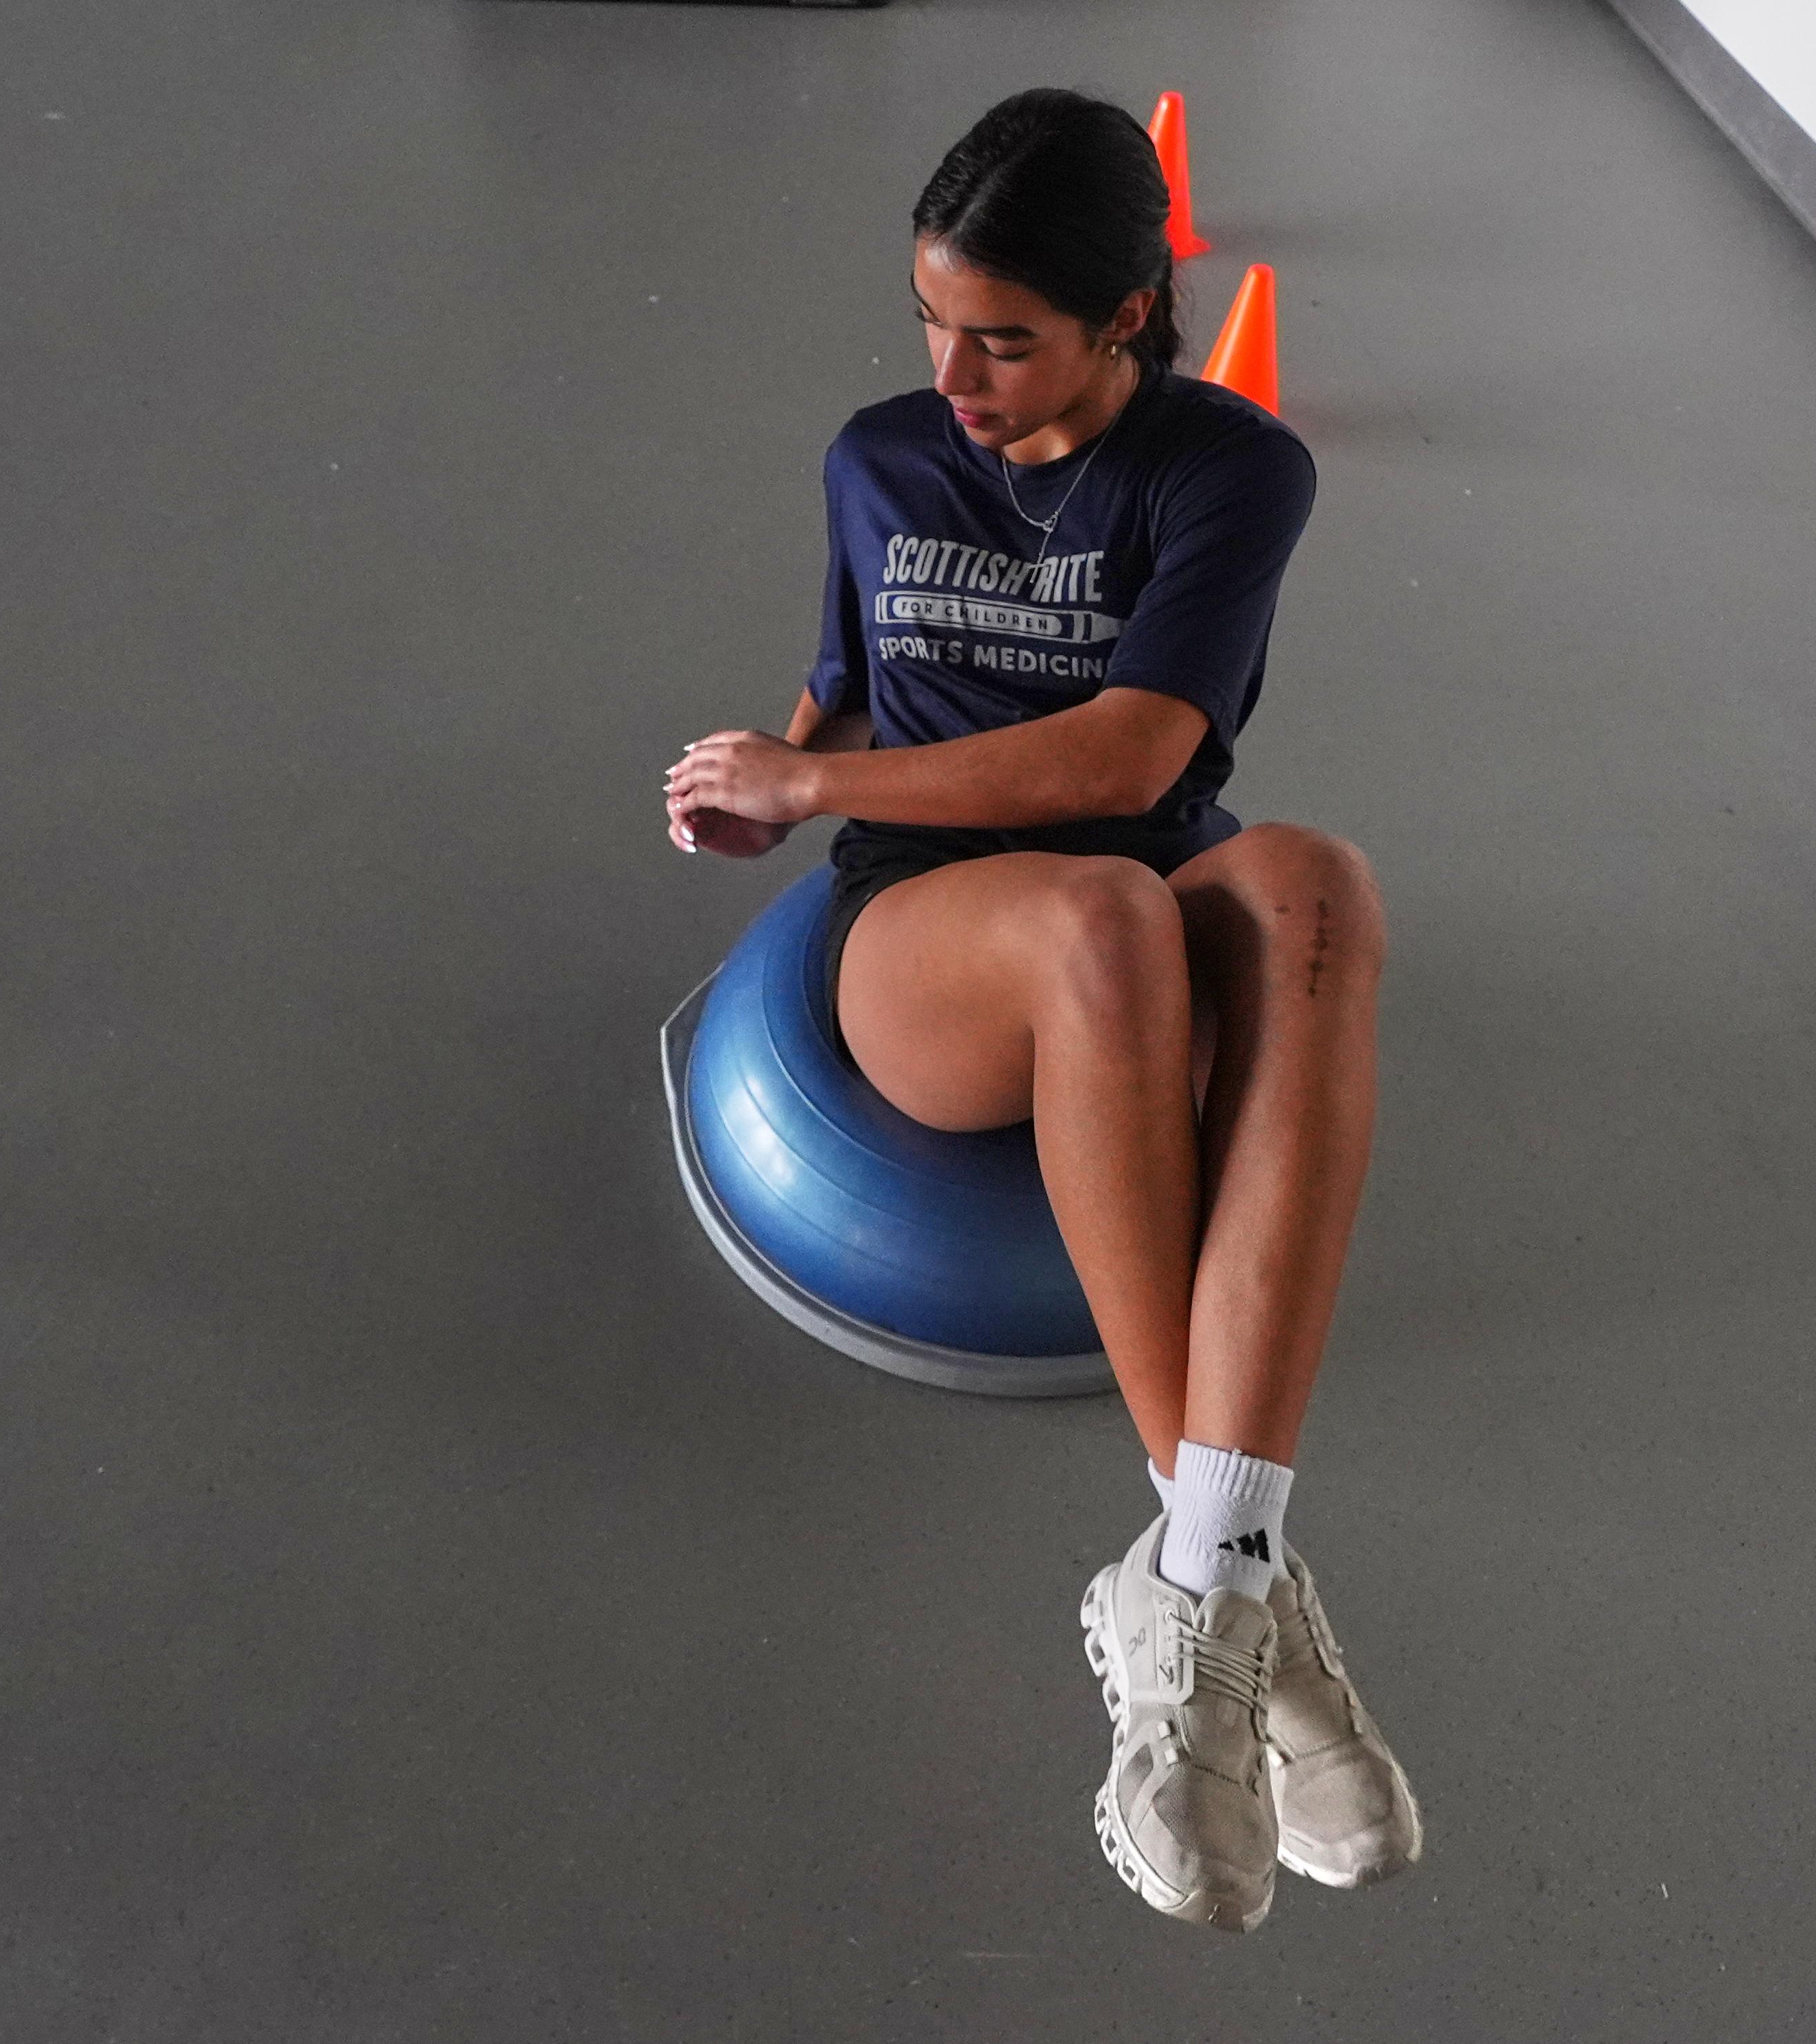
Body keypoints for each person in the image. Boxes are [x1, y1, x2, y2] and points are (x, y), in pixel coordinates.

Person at [660, 86, 1420, 1934]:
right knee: (1096, 919)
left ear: (1125, 317)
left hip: (1143, 887)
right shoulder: (877, 456)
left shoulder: (1233, 471)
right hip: (931, 935)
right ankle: (1237, 1587)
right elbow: (850, 686)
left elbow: (1136, 752)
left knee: (1315, 880)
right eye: (932, 322)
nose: (955, 376)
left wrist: (812, 776)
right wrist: (777, 775)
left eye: (1002, 340)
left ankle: (1197, 1584)